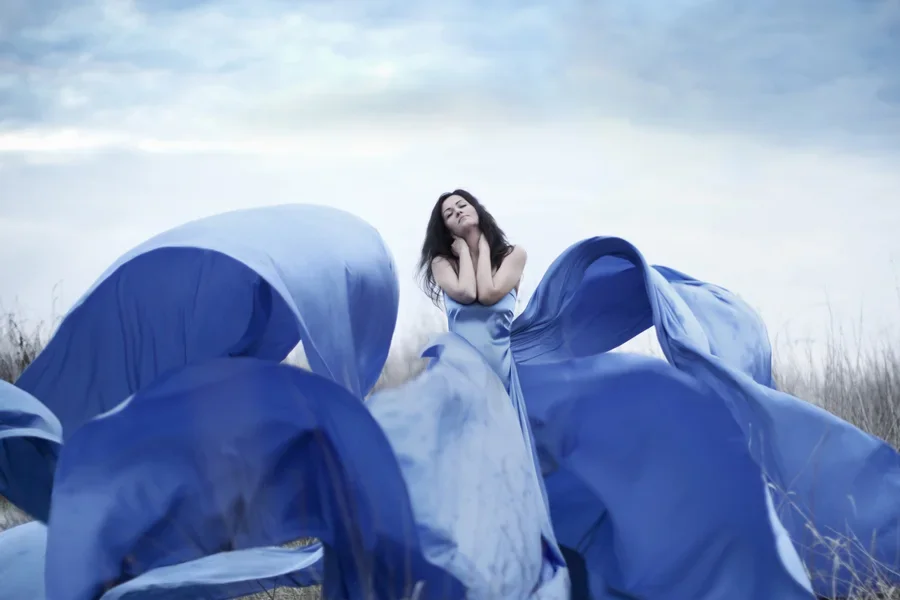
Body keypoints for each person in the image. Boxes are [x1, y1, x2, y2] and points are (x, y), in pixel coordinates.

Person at [0, 200, 898, 600]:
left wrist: (484, 282)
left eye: (468, 205)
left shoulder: (506, 257)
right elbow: (465, 299)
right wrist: (465, 285)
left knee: (551, 451)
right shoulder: (446, 262)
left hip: (499, 359)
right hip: (467, 358)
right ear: (440, 228)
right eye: (450, 209)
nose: (461, 214)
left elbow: (496, 295)